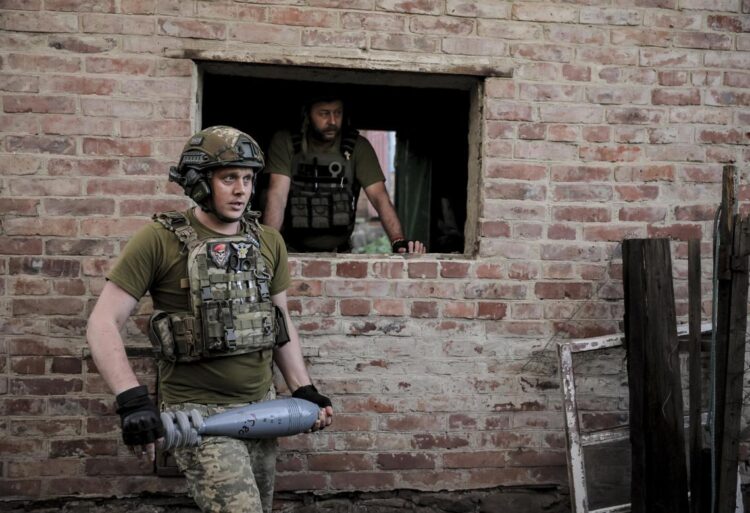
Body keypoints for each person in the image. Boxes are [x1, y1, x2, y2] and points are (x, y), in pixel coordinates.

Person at [86, 126, 334, 513]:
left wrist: (303, 388)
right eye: (229, 178)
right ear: (199, 182)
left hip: (263, 409)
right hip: (197, 414)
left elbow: (279, 321)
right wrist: (132, 400)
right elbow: (102, 323)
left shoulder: (268, 241)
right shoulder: (158, 239)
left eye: (248, 179)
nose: (241, 190)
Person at [262, 92, 426, 254]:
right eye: (324, 114)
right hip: (292, 248)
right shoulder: (286, 142)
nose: (332, 121)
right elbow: (277, 195)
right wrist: (268, 250)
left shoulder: (357, 146)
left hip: (339, 252)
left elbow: (379, 197)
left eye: (337, 113)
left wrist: (398, 240)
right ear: (307, 115)